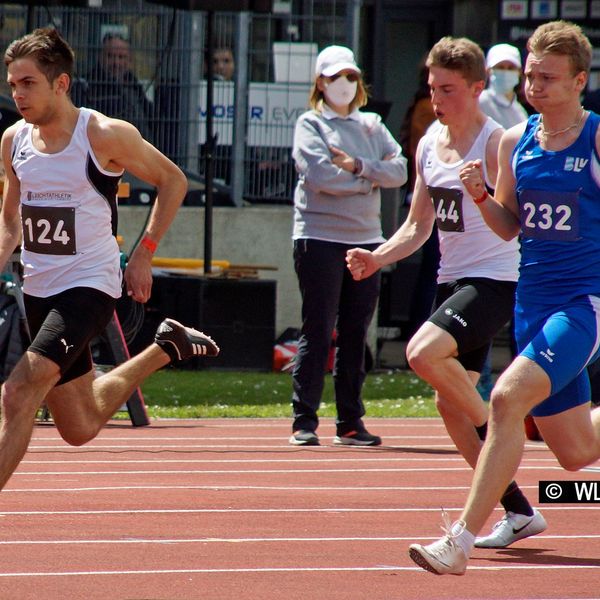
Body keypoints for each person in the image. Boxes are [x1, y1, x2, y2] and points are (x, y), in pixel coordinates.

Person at [407, 20, 600, 576]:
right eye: (531, 76)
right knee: (577, 453)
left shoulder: (595, 138)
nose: (534, 87)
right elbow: (509, 225)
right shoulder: (517, 142)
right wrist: (479, 195)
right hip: (532, 303)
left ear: (579, 81)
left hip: (582, 304)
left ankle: (459, 541)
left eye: (548, 78)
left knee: (504, 400)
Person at [0, 28, 220, 494]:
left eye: (28, 83)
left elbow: (173, 181)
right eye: (12, 83)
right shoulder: (13, 141)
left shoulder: (101, 134)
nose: (16, 93)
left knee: (18, 391)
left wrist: (144, 253)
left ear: (61, 84)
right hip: (38, 289)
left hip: (89, 285)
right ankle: (166, 348)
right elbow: (10, 225)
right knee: (78, 427)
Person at [346, 36, 545, 543]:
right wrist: (377, 256)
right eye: (433, 88)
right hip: (450, 281)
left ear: (478, 88)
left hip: (496, 279)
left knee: (421, 353)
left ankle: (500, 429)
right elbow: (418, 226)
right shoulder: (430, 140)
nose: (437, 99)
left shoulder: (498, 141)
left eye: (449, 89)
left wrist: (480, 192)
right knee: (446, 405)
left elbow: (513, 222)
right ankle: (520, 510)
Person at [289, 45, 407, 446]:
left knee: (356, 332)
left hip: (367, 242)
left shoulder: (373, 124)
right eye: (335, 77)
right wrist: (370, 181)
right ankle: (303, 421)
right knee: (318, 329)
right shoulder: (310, 124)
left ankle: (350, 422)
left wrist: (358, 167)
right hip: (318, 238)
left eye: (351, 76)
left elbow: (401, 170)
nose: (344, 84)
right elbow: (320, 176)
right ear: (320, 83)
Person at [477, 43, 529, 401]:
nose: (505, 73)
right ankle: (480, 389)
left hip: (515, 222)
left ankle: (519, 389)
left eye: (512, 66)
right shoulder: (482, 107)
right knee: (482, 306)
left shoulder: (520, 110)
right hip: (488, 220)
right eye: (500, 67)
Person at [79, 33, 154, 142]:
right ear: (100, 57)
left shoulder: (134, 86)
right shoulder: (87, 87)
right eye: (110, 56)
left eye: (121, 57)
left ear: (129, 60)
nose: (116, 62)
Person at [479, 43, 529, 129]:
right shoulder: (478, 102)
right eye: (500, 67)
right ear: (488, 70)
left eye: (511, 68)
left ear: (519, 72)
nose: (506, 72)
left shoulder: (521, 112)